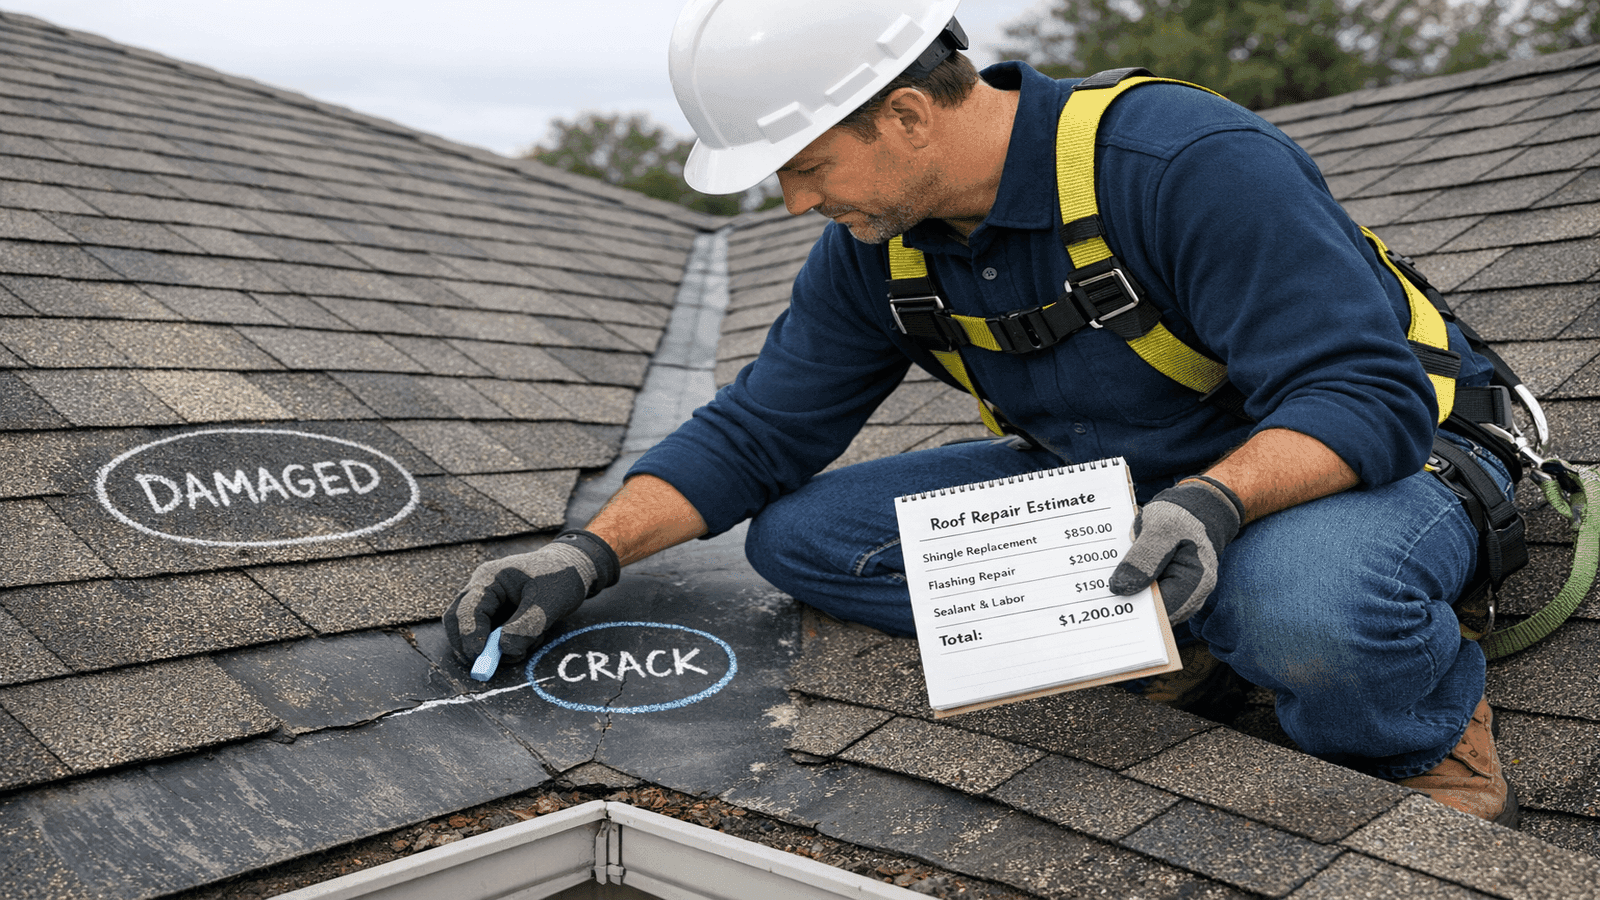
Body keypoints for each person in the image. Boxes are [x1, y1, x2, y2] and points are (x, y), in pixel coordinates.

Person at [445, 0, 1519, 826]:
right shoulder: (880, 251)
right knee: (805, 538)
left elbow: (1363, 397)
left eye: (807, 167)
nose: (796, 203)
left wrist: (1217, 502)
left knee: (1303, 609)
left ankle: (1413, 738)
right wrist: (586, 555)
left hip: (1377, 465)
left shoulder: (1181, 164)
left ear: (907, 114)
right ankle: (1192, 636)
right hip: (1156, 488)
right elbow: (757, 434)